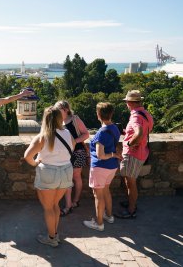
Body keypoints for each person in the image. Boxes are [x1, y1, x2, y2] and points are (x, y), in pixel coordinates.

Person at [24, 106, 75, 247]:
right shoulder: (67, 133)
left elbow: (27, 156)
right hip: (66, 171)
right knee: (55, 205)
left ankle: (51, 238)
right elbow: (73, 146)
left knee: (48, 208)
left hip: (48, 173)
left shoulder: (42, 137)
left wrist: (35, 162)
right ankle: (55, 234)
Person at [83, 102, 122, 231]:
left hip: (100, 167)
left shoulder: (101, 133)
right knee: (106, 191)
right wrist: (114, 155)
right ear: (111, 114)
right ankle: (109, 216)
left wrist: (112, 154)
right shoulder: (115, 128)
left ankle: (99, 223)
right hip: (111, 167)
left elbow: (101, 155)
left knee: (98, 195)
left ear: (98, 115)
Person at [116, 90, 153, 219]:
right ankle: (131, 202)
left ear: (131, 103)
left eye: (127, 102)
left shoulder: (136, 116)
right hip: (142, 152)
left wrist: (130, 143)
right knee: (130, 181)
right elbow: (145, 131)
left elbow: (139, 132)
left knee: (131, 183)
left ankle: (131, 210)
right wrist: (127, 133)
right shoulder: (146, 114)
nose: (126, 104)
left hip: (133, 154)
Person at [54, 100, 89, 216]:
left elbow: (86, 134)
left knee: (75, 177)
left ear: (66, 110)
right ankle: (69, 203)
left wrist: (74, 141)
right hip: (65, 154)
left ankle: (75, 201)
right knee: (67, 179)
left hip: (77, 152)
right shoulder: (58, 121)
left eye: (58, 110)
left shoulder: (75, 119)